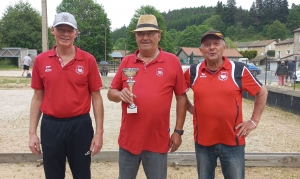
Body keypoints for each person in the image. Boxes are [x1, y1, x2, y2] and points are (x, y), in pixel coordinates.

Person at [107, 14, 188, 179]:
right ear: (135, 37)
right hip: (129, 141)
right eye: (140, 34)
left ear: (159, 35)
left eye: (150, 33)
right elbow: (111, 93)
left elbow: (181, 98)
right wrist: (120, 94)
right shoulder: (126, 62)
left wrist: (178, 131)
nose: (145, 37)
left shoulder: (172, 61)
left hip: (157, 140)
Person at [29, 12, 104, 179]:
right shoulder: (41, 60)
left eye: (69, 30)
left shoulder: (88, 60)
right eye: (61, 29)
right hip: (51, 126)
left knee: (82, 174)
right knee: (53, 175)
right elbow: (37, 97)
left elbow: (97, 97)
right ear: (53, 30)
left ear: (76, 33)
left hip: (80, 126)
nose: (65, 34)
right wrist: (32, 133)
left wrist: (99, 133)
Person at [183, 30, 268, 179]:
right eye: (207, 44)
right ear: (201, 50)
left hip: (232, 141)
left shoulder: (238, 70)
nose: (212, 47)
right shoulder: (193, 71)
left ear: (224, 47)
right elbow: (179, 91)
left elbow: (262, 92)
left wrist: (254, 121)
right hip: (203, 141)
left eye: (216, 44)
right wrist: (190, 107)